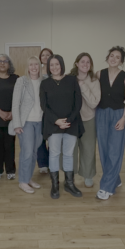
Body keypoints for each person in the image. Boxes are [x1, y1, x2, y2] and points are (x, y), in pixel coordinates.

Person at [40, 54, 83, 199]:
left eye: (57, 64)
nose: (54, 67)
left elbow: (78, 102)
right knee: (54, 154)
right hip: (53, 124)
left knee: (69, 154)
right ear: (48, 67)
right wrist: (57, 121)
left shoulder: (71, 80)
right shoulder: (45, 84)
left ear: (61, 65)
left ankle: (69, 184)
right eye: (51, 65)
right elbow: (44, 106)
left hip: (71, 123)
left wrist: (68, 120)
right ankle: (55, 185)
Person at [96, 46, 125, 201]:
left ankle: (106, 187)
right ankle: (115, 179)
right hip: (101, 113)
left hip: (118, 114)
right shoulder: (99, 74)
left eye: (117, 57)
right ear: (107, 57)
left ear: (121, 61)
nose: (114, 58)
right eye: (111, 55)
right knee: (103, 150)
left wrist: (124, 118)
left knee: (114, 150)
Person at [11, 56, 44, 194]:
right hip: (26, 122)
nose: (34, 67)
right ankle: (23, 182)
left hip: (40, 121)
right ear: (28, 67)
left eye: (36, 64)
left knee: (34, 152)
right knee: (26, 152)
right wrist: (17, 124)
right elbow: (15, 103)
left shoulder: (44, 81)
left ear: (40, 66)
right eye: (31, 65)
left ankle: (28, 178)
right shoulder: (22, 81)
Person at [69, 53, 101, 188]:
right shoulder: (69, 79)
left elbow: (94, 103)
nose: (85, 64)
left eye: (88, 62)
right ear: (76, 64)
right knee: (70, 150)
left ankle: (88, 175)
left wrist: (83, 87)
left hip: (88, 119)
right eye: (82, 62)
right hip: (72, 120)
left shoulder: (94, 81)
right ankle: (69, 175)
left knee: (88, 149)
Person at [0, 53, 19, 180]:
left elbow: (19, 97)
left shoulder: (16, 78)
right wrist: (0, 112)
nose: (2, 63)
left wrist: (13, 112)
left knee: (10, 145)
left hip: (12, 117)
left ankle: (11, 170)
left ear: (9, 64)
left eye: (5, 61)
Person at [36, 47, 54, 173]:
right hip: (38, 109)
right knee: (40, 137)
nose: (45, 57)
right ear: (40, 58)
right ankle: (43, 164)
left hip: (53, 108)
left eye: (48, 55)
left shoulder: (56, 70)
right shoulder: (36, 72)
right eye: (43, 55)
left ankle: (53, 162)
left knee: (52, 137)